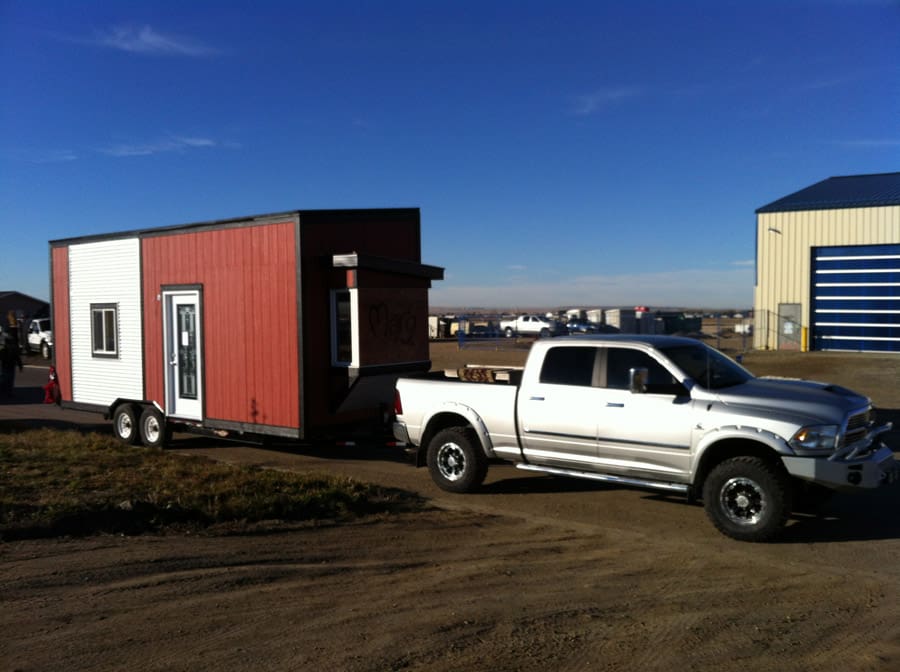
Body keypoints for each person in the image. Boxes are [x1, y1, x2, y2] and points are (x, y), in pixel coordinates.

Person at [0, 334, 24, 399]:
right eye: (9, 343)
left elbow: (18, 358)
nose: (10, 345)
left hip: (10, 367)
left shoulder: (13, 350)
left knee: (9, 381)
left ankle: (9, 393)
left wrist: (20, 366)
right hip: (5, 368)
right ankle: (4, 392)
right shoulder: (3, 350)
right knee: (4, 381)